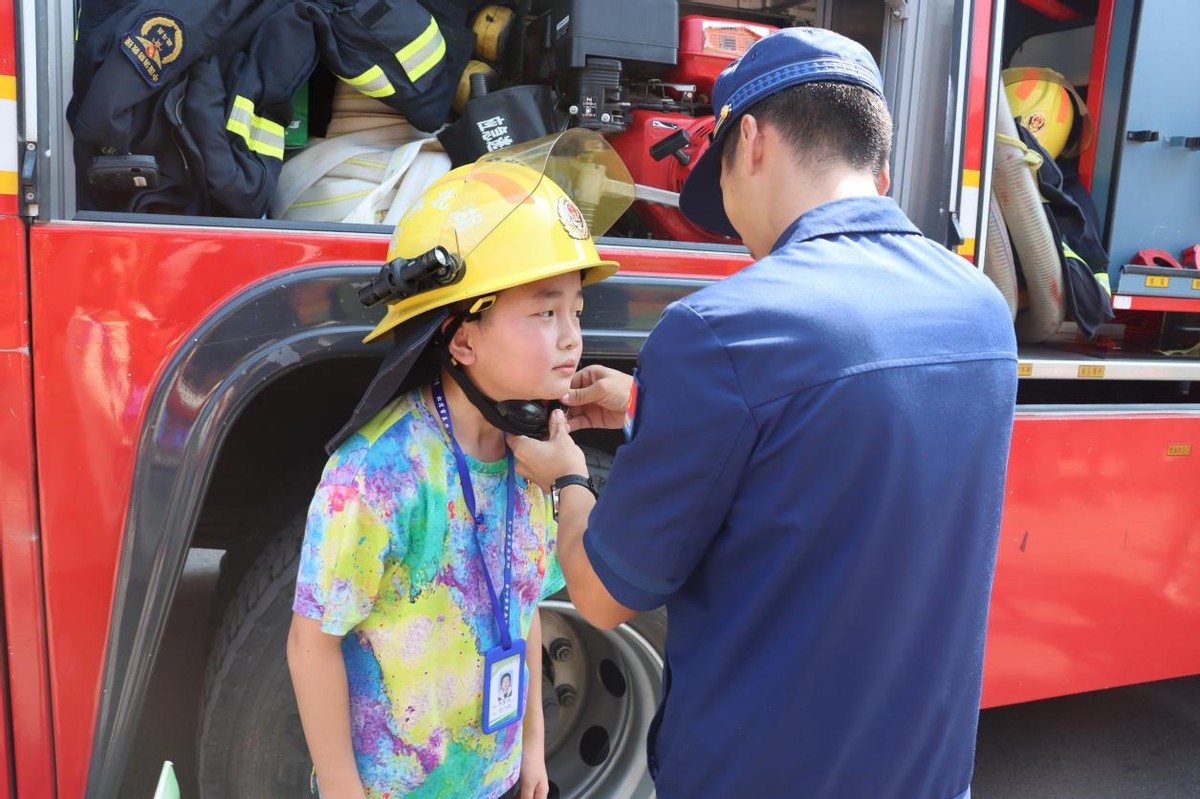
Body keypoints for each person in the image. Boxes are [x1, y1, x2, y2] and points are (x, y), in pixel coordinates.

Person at [508, 27, 1018, 799]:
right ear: (875, 157)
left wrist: (569, 477)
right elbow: (839, 438)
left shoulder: (723, 330)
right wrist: (649, 405)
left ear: (749, 140)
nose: (734, 226)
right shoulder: (981, 311)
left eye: (723, 193)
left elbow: (603, 595)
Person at [286, 131, 633, 799]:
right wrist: (339, 786)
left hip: (495, 780)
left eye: (576, 310)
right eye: (545, 311)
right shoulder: (378, 477)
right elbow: (311, 643)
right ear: (463, 337)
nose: (572, 337)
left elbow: (523, 603)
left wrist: (532, 744)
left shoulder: (537, 456)